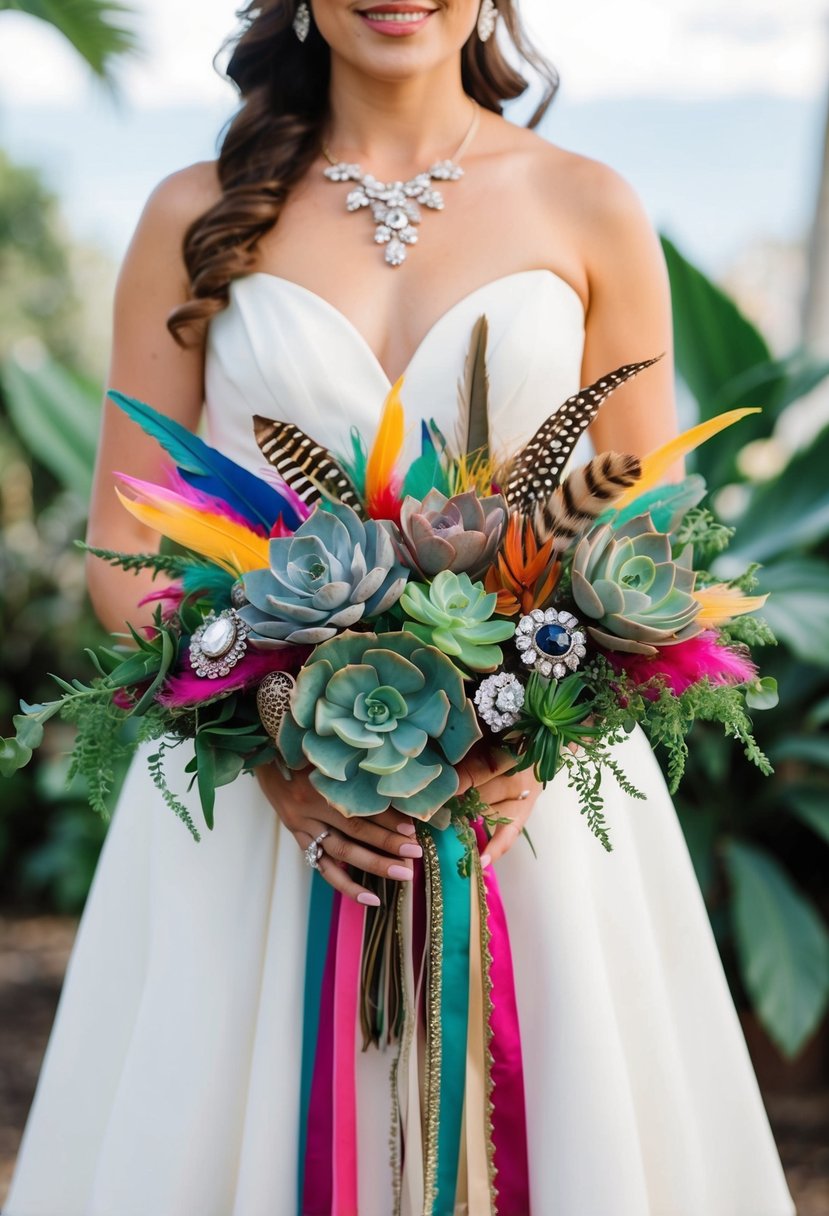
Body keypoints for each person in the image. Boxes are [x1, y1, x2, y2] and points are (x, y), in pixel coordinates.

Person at [5, 2, 797, 1214]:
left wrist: (543, 731)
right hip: (260, 825)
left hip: (531, 822)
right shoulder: (191, 214)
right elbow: (126, 549)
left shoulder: (589, 205)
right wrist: (276, 741)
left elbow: (651, 535)